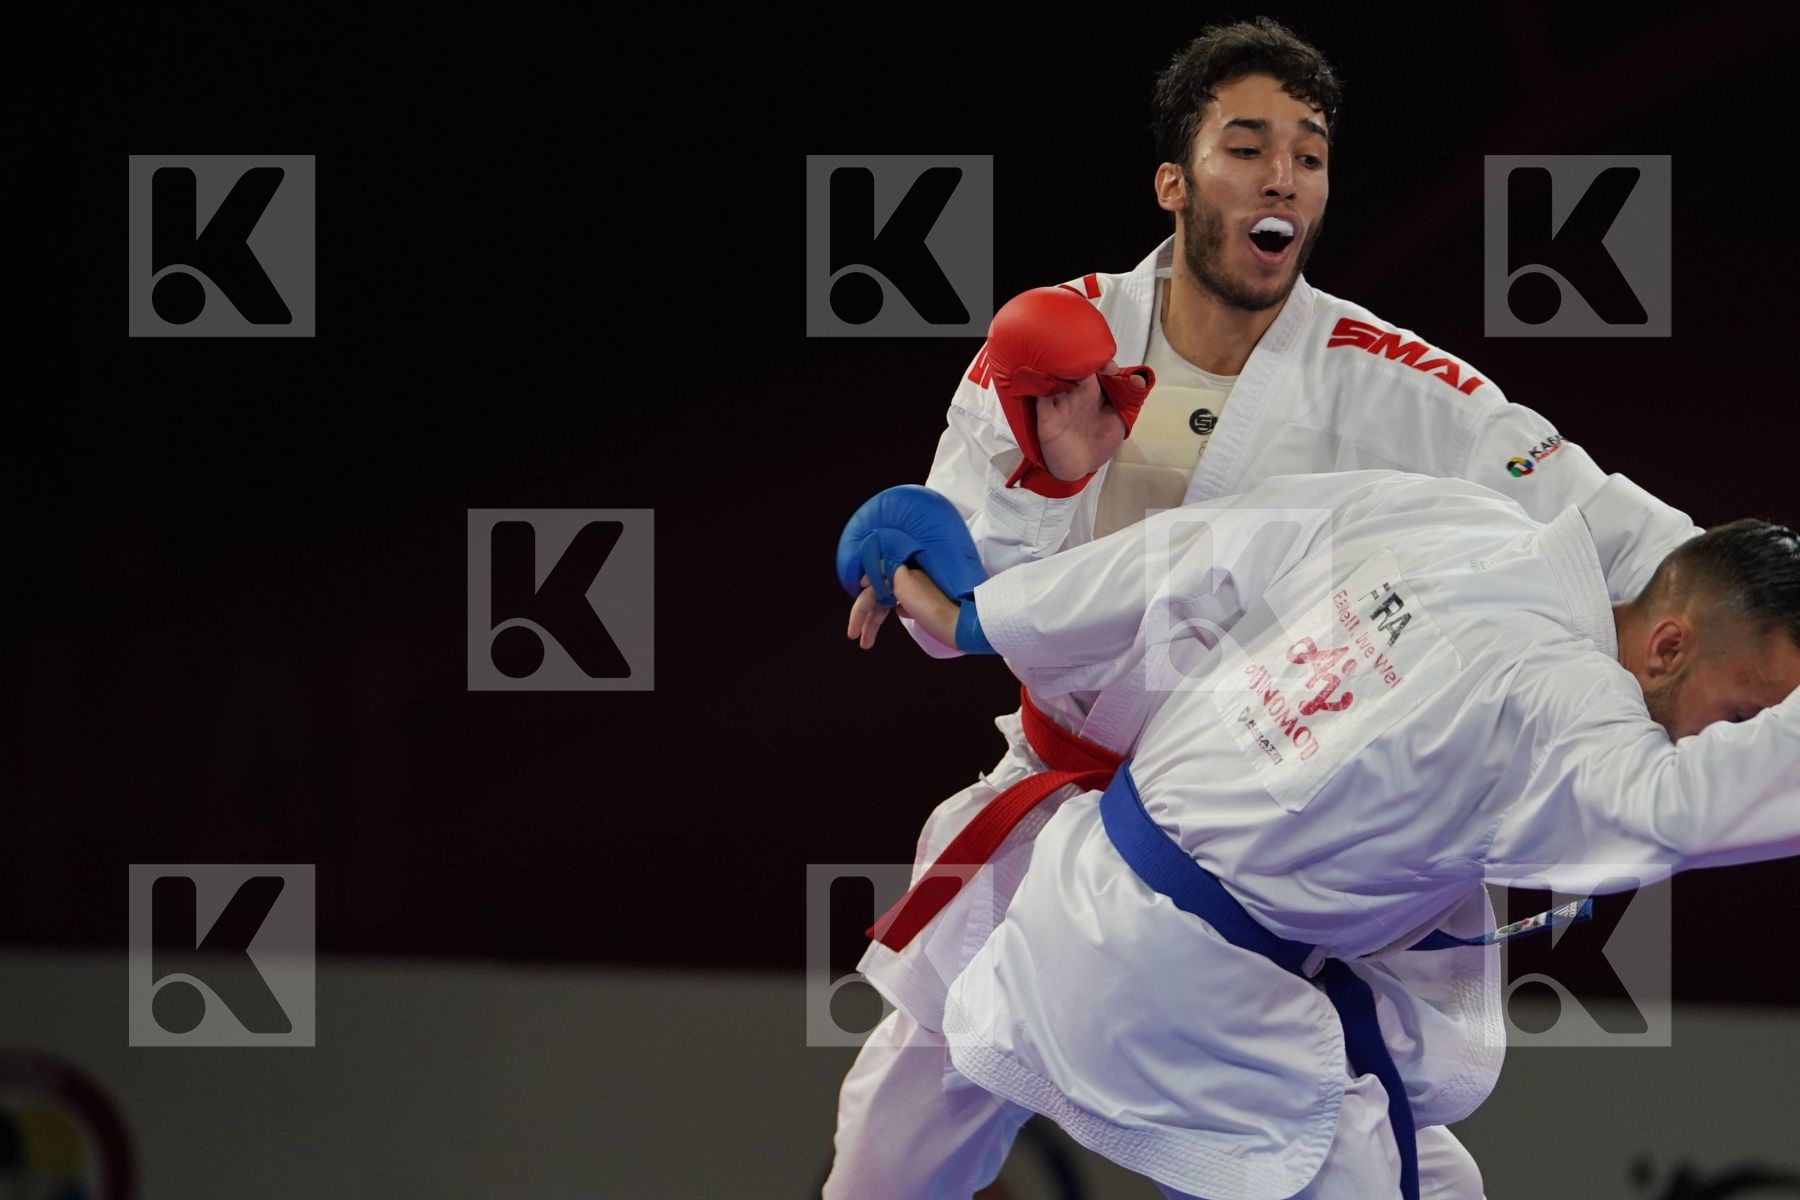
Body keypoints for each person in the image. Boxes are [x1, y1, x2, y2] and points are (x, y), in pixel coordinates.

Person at [827, 16, 1702, 1198]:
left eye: (1310, 152)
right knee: (896, 1140)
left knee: (1335, 1147)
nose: (1284, 173)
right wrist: (1046, 479)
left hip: (1268, 837)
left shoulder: (1397, 384)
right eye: (1248, 146)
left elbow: (1605, 522)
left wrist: (1757, 602)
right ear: (1174, 180)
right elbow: (960, 611)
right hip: (1062, 797)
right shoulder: (1046, 344)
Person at [879, 470, 1800, 1198]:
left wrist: (989, 616)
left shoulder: (1456, 519)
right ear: (1671, 646)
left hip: (1079, 892)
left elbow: (1210, 547)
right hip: (1195, 1007)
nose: (1718, 739)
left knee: (1439, 1186)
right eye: (1741, 713)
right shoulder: (1572, 708)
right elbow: (1680, 807)